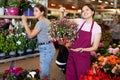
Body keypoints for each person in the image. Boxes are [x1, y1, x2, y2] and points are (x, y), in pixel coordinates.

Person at [65, 4, 102, 80]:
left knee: (82, 76)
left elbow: (95, 47)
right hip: (72, 55)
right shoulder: (79, 22)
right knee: (70, 76)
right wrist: (62, 13)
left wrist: (82, 49)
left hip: (83, 57)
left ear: (92, 12)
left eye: (87, 10)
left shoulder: (96, 27)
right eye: (82, 11)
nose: (84, 12)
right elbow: (64, 22)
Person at [21, 4, 55, 80]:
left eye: (36, 11)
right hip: (48, 47)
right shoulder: (46, 21)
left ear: (42, 12)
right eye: (34, 11)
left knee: (44, 73)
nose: (34, 13)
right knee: (44, 70)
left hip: (46, 49)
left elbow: (30, 35)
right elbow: (40, 32)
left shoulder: (40, 22)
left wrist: (24, 22)